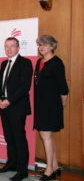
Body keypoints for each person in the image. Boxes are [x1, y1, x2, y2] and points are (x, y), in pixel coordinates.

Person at [0, 37, 33, 181]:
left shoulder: (25, 63)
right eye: (6, 46)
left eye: (12, 46)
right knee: (9, 138)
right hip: (4, 107)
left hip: (17, 107)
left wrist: (8, 101)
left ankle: (22, 170)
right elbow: (1, 85)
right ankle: (11, 164)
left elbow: (24, 86)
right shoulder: (4, 63)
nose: (9, 49)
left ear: (18, 48)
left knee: (19, 138)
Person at [34, 35, 68, 181]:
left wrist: (62, 104)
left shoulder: (57, 62)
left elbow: (63, 87)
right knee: (47, 135)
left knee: (45, 135)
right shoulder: (39, 62)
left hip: (52, 105)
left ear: (52, 46)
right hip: (40, 104)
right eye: (40, 45)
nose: (42, 47)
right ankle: (54, 166)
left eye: (45, 45)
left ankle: (49, 170)